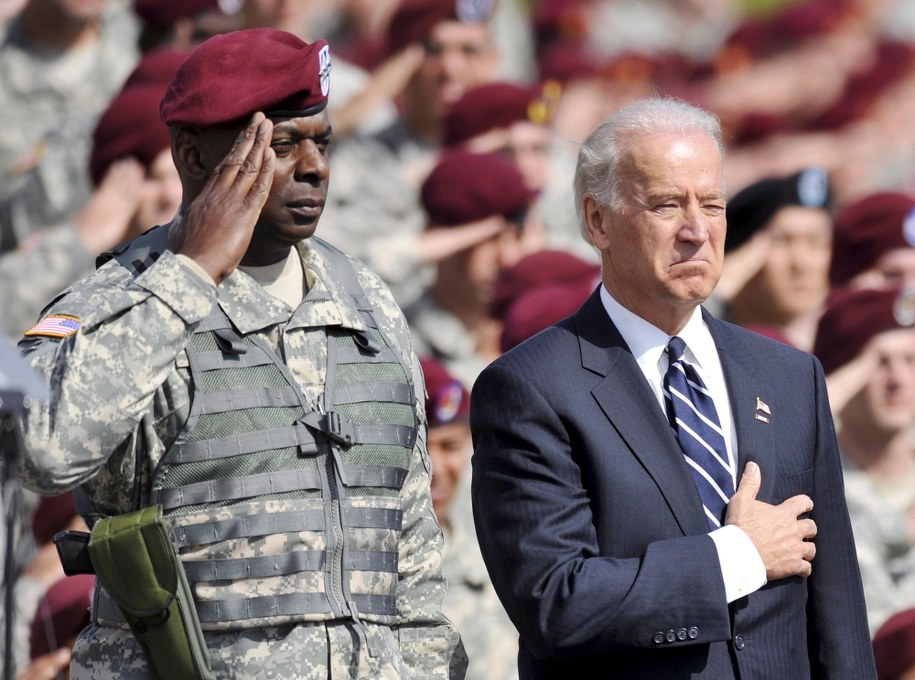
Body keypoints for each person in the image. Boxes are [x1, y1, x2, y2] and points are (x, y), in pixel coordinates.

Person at [17, 28, 466, 679]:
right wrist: (188, 276)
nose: (314, 166)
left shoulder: (363, 299)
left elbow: (411, 545)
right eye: (281, 145)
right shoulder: (119, 301)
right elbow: (43, 451)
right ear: (195, 159)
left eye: (323, 141)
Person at [469, 96, 876, 679]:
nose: (697, 231)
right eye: (666, 205)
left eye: (712, 204)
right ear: (597, 221)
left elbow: (836, 614)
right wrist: (734, 558)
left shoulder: (789, 377)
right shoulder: (531, 388)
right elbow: (555, 603)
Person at [811, 285, 915, 635]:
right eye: (879, 363)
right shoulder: (819, 488)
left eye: (911, 360)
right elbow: (877, 637)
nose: (898, 380)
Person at [419, 356, 518, 680]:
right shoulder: (378, 568)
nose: (434, 468)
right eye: (418, 449)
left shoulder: (491, 546)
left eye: (449, 446)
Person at [405, 149, 536, 390]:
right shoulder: (404, 337)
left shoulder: (535, 325)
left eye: (515, 236)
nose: (507, 258)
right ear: (444, 242)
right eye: (488, 241)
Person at [709, 167, 834, 351]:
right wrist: (713, 295)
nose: (801, 264)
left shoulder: (844, 347)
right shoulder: (706, 343)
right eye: (782, 242)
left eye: (816, 243)